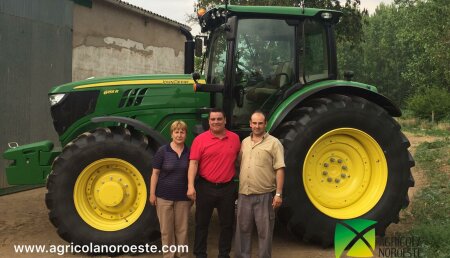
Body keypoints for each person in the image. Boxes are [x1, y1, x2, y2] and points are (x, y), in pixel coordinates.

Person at [186, 108, 241, 258]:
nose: (216, 122)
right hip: (205, 187)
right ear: (208, 121)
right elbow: (193, 163)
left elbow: (239, 161)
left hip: (227, 188)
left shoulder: (235, 138)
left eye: (219, 119)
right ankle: (200, 253)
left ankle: (224, 254)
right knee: (201, 224)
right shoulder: (200, 140)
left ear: (225, 120)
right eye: (213, 119)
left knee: (227, 225)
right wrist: (191, 185)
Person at [234, 111, 285, 258]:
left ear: (265, 124)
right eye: (254, 123)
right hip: (244, 194)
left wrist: (278, 194)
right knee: (243, 230)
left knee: (265, 233)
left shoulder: (274, 143)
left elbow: (280, 169)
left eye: (260, 123)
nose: (257, 126)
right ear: (250, 123)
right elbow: (239, 164)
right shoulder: (244, 142)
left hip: (265, 196)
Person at [149, 120, 192, 258]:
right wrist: (152, 194)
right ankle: (168, 255)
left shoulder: (189, 152)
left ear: (186, 134)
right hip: (163, 197)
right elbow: (155, 174)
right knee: (166, 230)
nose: (179, 135)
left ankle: (182, 255)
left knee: (182, 230)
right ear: (171, 134)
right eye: (176, 132)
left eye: (182, 132)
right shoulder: (163, 151)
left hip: (183, 198)